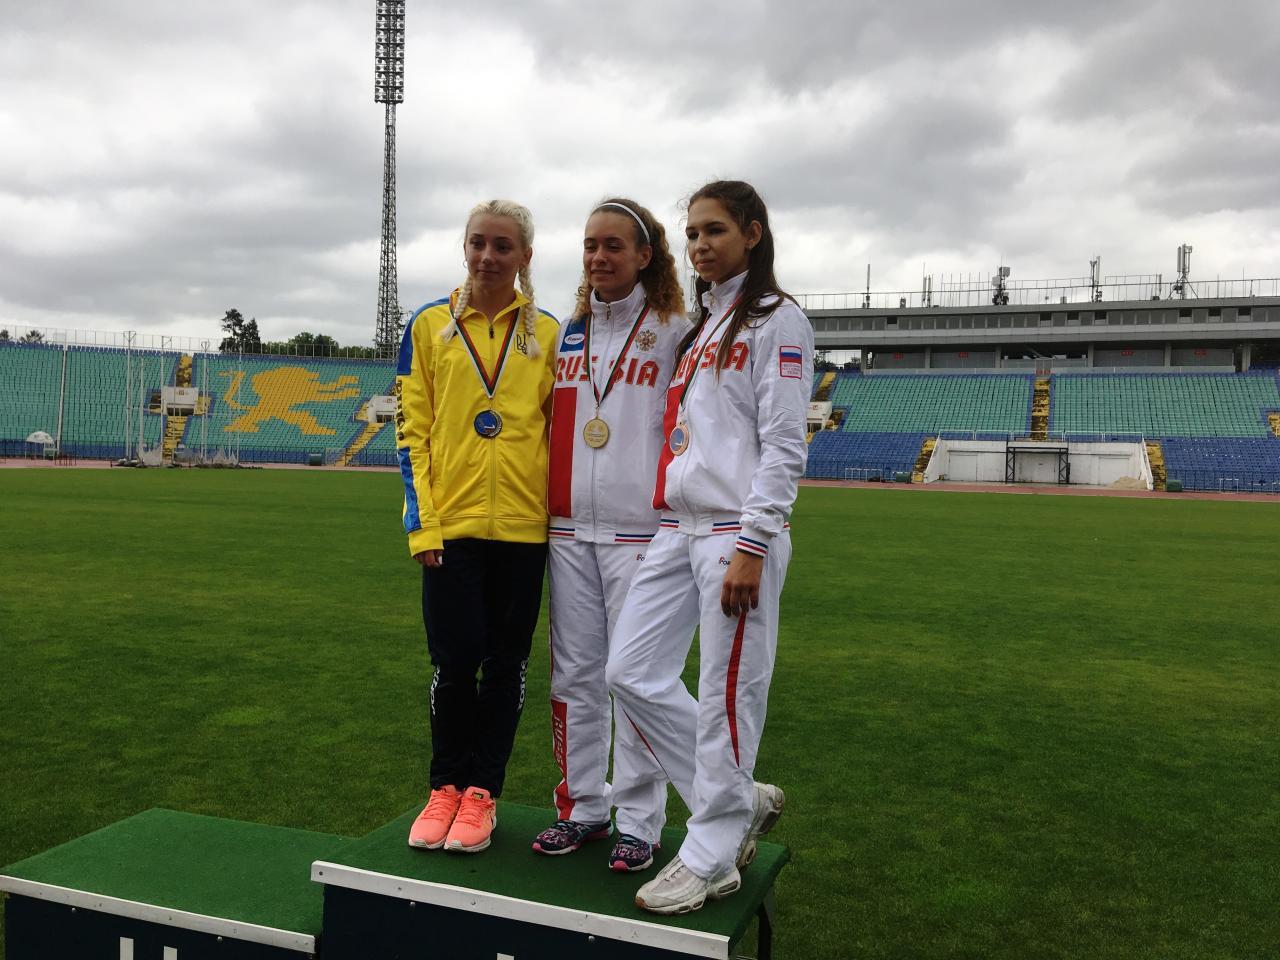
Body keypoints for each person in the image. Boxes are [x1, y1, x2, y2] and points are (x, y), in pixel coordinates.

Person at [606, 180, 814, 913]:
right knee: (630, 672)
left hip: (736, 531)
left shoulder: (776, 320)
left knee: (729, 694)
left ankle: (709, 856)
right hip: (678, 526)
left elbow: (785, 443)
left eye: (715, 230)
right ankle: (733, 800)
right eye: (692, 233)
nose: (699, 245)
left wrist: (756, 541)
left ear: (752, 233)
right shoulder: (704, 326)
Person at [532, 198, 692, 871]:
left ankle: (641, 821)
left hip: (641, 534)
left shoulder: (676, 330)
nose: (599, 257)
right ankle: (581, 808)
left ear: (645, 255)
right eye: (590, 245)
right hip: (568, 531)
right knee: (574, 675)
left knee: (636, 680)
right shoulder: (564, 332)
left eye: (613, 246)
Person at [396, 199, 559, 854]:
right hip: (452, 528)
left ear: (524, 256)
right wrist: (423, 526)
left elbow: (558, 434)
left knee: (506, 665)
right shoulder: (430, 325)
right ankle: (444, 787)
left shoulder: (548, 334)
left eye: (502, 246)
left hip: (524, 530)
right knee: (454, 662)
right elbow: (412, 433)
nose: (488, 256)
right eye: (477, 243)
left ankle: (483, 792)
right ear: (464, 248)